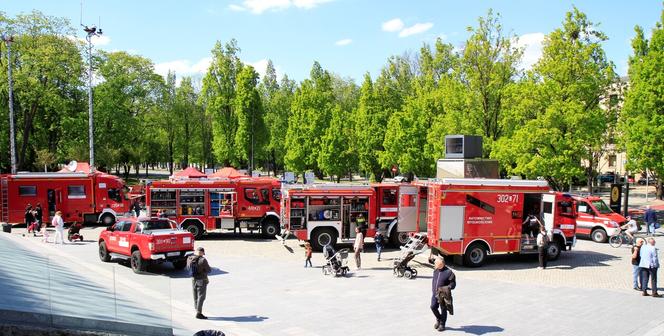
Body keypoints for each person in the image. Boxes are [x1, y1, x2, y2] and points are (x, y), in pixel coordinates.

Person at [431, 257, 456, 332]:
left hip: (443, 294)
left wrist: (448, 287)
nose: (435, 264)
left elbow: (453, 284)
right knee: (433, 307)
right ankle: (439, 318)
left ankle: (442, 324)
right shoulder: (435, 270)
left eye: (436, 263)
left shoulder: (449, 272)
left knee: (443, 309)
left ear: (441, 264)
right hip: (435, 293)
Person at [188, 247, 212, 319]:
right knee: (201, 296)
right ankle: (199, 313)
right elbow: (209, 270)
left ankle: (196, 308)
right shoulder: (203, 260)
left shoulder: (189, 258)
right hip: (201, 279)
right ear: (201, 252)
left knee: (195, 294)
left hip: (193, 279)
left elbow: (188, 268)